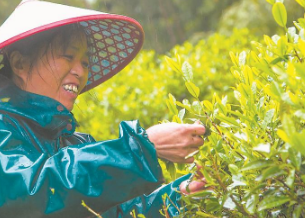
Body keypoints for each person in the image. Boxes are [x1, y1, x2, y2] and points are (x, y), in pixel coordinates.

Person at [0, 0, 206, 217]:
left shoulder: (78, 145)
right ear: (20, 64)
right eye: (68, 57)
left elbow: (121, 213)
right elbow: (31, 193)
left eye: (86, 63)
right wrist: (139, 149)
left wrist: (182, 196)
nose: (79, 71)